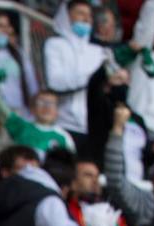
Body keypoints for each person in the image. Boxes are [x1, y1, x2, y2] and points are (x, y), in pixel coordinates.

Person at [43, 0, 108, 148]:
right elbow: (55, 82)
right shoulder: (55, 44)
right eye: (80, 13)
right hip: (63, 122)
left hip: (92, 125)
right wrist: (94, 76)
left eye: (89, 15)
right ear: (66, 17)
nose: (86, 18)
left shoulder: (98, 52)